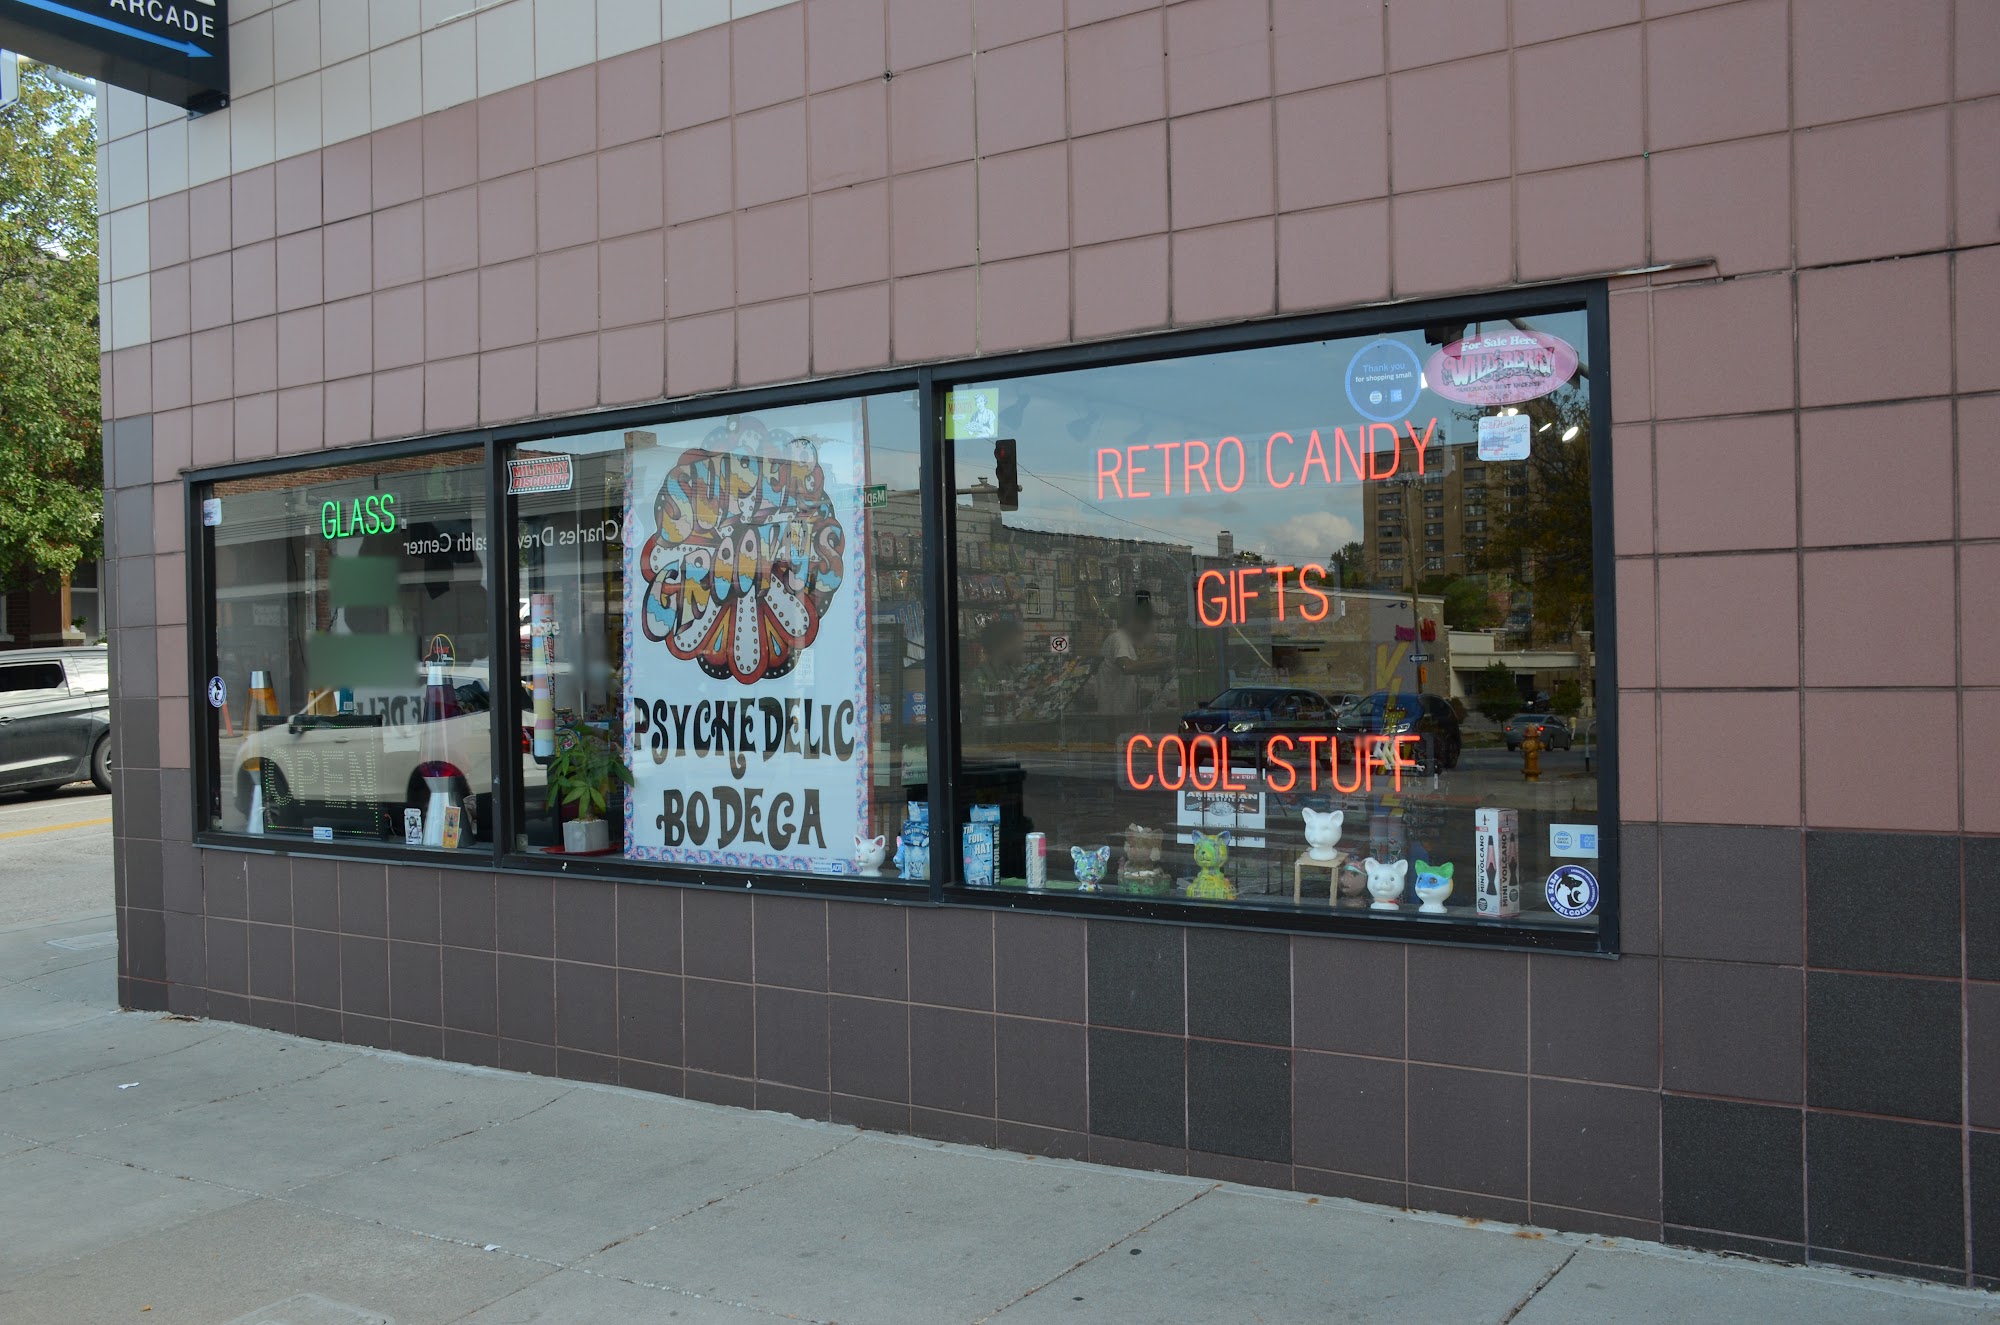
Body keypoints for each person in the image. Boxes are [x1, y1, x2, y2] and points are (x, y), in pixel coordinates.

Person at [1093, 598, 1169, 731]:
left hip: (1121, 714)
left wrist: (1138, 692)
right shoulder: (1119, 639)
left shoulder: (1125, 640)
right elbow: (1127, 667)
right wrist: (1162, 661)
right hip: (1114, 717)